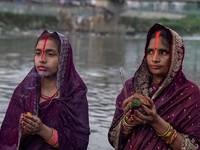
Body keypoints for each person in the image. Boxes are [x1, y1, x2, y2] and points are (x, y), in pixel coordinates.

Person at [108, 23, 200, 150]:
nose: (154, 59)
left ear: (175, 55)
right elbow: (113, 139)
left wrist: (155, 121)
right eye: (150, 52)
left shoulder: (189, 93)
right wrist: (128, 121)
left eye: (163, 52)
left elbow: (194, 147)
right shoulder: (131, 87)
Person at [0, 30, 90, 150]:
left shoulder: (74, 95)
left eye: (50, 54)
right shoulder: (24, 92)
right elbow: (5, 137)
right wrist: (24, 130)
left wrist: (42, 130)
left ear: (64, 59)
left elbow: (79, 144)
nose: (42, 59)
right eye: (38, 53)